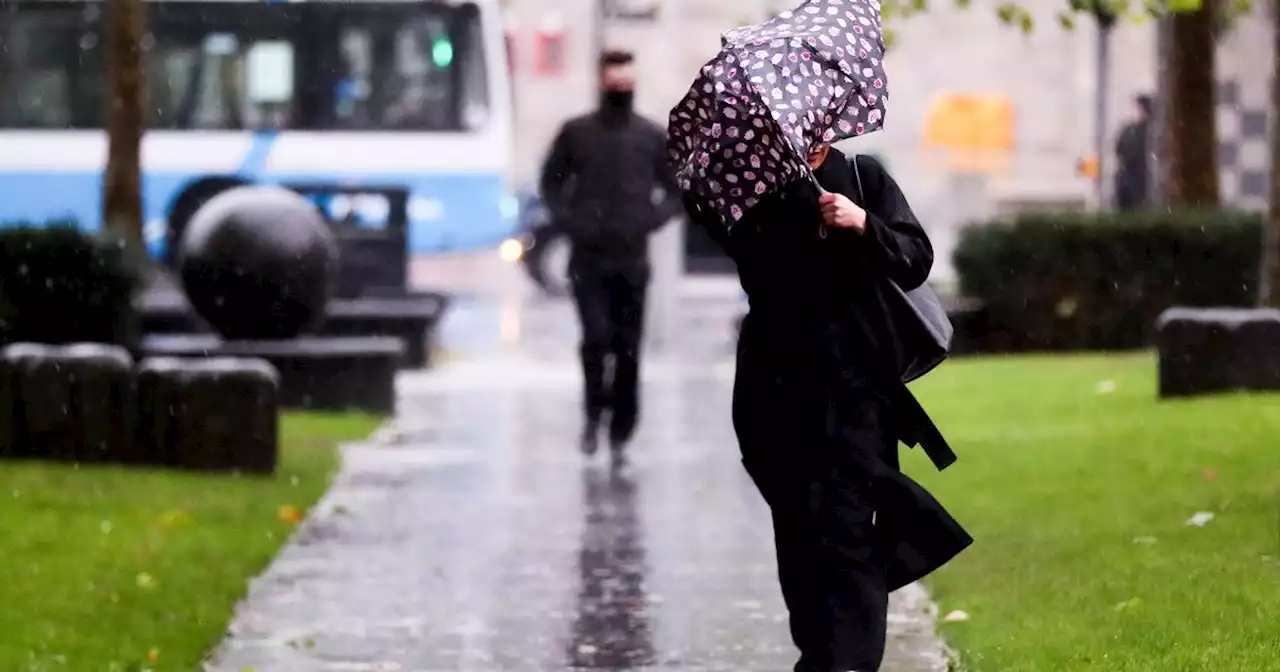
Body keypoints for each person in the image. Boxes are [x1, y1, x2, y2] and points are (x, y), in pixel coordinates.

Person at [683, 145, 972, 672]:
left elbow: (915, 259)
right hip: (776, 394)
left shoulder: (863, 176)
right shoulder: (752, 184)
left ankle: (849, 664)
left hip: (858, 392)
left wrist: (863, 223)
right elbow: (738, 248)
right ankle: (820, 658)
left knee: (852, 533)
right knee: (799, 537)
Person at [539, 49, 681, 462]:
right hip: (587, 259)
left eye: (626, 77)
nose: (620, 84)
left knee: (629, 347)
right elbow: (551, 183)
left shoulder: (651, 137)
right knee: (596, 340)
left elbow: (675, 190)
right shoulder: (576, 133)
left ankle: (622, 429)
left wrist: (649, 219)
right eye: (613, 76)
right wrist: (570, 221)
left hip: (633, 259)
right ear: (601, 80)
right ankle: (592, 416)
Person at [1114, 94, 1153, 211]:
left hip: (1140, 178)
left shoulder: (1150, 131)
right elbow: (1119, 149)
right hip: (1128, 176)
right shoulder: (1129, 130)